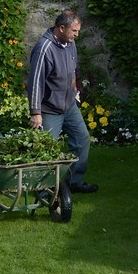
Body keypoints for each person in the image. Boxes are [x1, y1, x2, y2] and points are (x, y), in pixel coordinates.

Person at [27, 10, 98, 194]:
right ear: (61, 28)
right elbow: (35, 82)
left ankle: (75, 181)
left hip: (69, 106)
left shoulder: (70, 44)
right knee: (46, 149)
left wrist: (75, 92)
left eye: (77, 31)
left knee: (82, 139)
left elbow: (72, 70)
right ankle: (43, 190)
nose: (77, 35)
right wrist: (36, 113)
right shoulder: (44, 49)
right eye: (74, 31)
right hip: (49, 109)